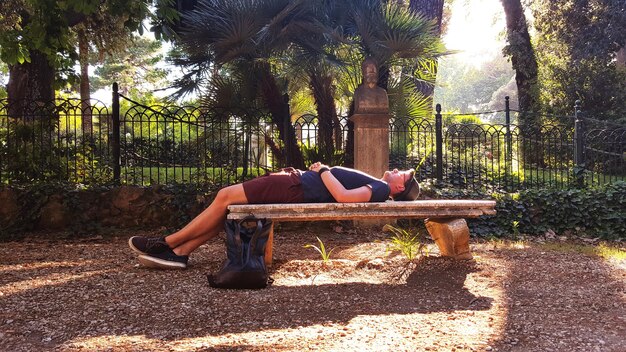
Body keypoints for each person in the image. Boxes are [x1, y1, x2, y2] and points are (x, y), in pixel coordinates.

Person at [128, 162, 420, 269]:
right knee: (228, 208)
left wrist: (323, 170)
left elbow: (343, 197)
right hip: (296, 184)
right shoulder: (380, 185)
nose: (396, 170)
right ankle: (180, 252)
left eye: (401, 174)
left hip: (296, 188)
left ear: (399, 187)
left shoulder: (381, 187)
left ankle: (166, 243)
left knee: (225, 196)